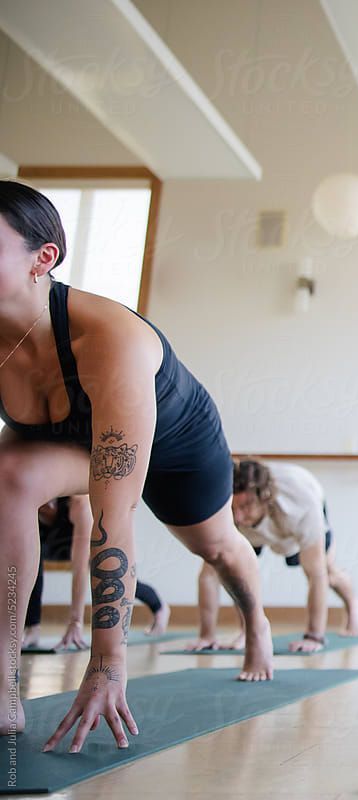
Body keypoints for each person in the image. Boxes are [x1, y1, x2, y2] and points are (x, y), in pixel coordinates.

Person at [0, 181, 273, 753]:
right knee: (11, 479)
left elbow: (112, 515)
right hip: (66, 440)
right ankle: (4, 682)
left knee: (217, 545)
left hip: (177, 446)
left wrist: (107, 662)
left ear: (42, 259)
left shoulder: (109, 339)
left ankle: (257, 625)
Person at [189, 460, 358, 653]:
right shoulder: (229, 510)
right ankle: (246, 631)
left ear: (264, 498)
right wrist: (207, 635)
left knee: (327, 572)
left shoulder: (301, 504)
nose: (238, 517)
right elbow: (208, 576)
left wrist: (314, 637)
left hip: (296, 513)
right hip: (265, 523)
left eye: (246, 506)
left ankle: (353, 604)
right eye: (233, 508)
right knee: (232, 570)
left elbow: (316, 575)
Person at [25, 496, 170, 651]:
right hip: (48, 545)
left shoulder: (78, 503)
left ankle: (159, 607)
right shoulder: (25, 503)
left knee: (108, 573)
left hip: (80, 542)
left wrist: (76, 622)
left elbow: (79, 569)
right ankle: (32, 626)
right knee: (30, 558)